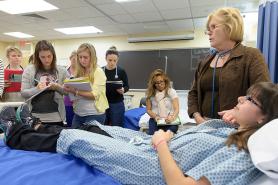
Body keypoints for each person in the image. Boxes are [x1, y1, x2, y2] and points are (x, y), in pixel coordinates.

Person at [0, 82, 277, 185]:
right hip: (154, 145)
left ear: (265, 117)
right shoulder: (231, 130)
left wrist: (161, 141)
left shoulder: (245, 153)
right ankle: (35, 125)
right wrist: (233, 119)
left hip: (154, 164)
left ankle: (16, 134)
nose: (240, 99)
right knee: (97, 127)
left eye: (249, 100)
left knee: (78, 138)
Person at [187, 7, 270, 124]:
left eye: (214, 27)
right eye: (208, 29)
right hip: (203, 125)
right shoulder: (204, 62)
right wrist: (197, 117)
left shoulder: (251, 56)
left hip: (235, 127)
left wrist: (236, 113)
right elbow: (193, 93)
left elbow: (263, 93)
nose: (208, 32)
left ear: (230, 27)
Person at [21, 40, 67, 126]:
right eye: (43, 57)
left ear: (53, 54)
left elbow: (68, 92)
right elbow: (23, 93)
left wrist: (57, 87)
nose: (47, 60)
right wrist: (37, 89)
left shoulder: (62, 71)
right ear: (37, 57)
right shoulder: (29, 70)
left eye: (49, 56)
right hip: (34, 117)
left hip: (56, 118)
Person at [63, 43, 108, 127]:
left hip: (94, 114)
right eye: (80, 57)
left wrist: (75, 91)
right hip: (78, 114)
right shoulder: (78, 72)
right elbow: (73, 94)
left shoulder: (98, 72)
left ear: (92, 57)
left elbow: (94, 95)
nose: (82, 60)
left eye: (85, 57)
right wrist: (68, 89)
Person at [146, 69, 179, 135]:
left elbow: (176, 108)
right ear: (153, 84)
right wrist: (155, 117)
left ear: (165, 81)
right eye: (156, 83)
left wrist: (172, 117)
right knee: (153, 135)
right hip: (156, 120)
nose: (159, 84)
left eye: (161, 82)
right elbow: (148, 110)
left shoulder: (171, 91)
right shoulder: (150, 93)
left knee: (169, 133)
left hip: (170, 120)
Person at [103, 46, 129, 127]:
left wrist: (123, 89)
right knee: (104, 126)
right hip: (103, 103)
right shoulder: (100, 71)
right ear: (106, 59)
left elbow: (127, 85)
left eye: (115, 60)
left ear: (117, 60)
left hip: (117, 104)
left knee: (117, 127)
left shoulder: (121, 71)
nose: (112, 63)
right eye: (110, 60)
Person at [63, 50, 77, 126]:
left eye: (77, 59)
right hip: (68, 101)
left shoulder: (81, 71)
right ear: (70, 59)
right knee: (70, 123)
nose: (75, 61)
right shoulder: (65, 71)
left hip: (78, 101)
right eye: (73, 59)